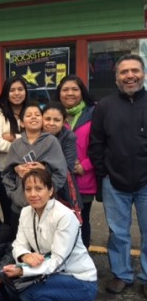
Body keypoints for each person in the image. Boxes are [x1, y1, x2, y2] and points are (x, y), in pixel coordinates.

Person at [3, 169, 97, 301]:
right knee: (19, 288)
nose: (33, 194)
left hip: (81, 281)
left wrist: (22, 269)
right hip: (52, 274)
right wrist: (24, 255)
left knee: (31, 294)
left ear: (50, 190)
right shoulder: (25, 212)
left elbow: (56, 261)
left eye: (39, 188)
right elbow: (18, 244)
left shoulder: (64, 216)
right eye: (28, 189)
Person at [89, 53, 147, 296]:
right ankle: (122, 274)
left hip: (146, 182)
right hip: (114, 181)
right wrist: (104, 175)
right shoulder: (105, 106)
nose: (130, 76)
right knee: (118, 232)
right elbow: (96, 143)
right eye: (124, 72)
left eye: (134, 70)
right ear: (116, 78)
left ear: (143, 74)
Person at [1, 102, 67, 238]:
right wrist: (13, 194)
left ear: (42, 120)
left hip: (45, 207)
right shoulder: (16, 145)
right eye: (28, 115)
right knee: (21, 244)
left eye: (37, 114)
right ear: (22, 122)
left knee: (45, 245)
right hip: (19, 207)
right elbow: (6, 174)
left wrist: (46, 174)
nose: (33, 117)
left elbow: (60, 173)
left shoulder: (51, 142)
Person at [56, 74, 97, 249]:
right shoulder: (53, 115)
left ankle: (83, 257)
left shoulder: (94, 113)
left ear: (82, 92)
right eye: (65, 89)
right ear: (59, 93)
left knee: (82, 220)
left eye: (74, 89)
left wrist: (85, 165)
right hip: (59, 180)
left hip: (84, 179)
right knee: (60, 222)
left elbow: (101, 145)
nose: (70, 93)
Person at [0, 75, 28, 229]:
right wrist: (24, 141)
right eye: (12, 90)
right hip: (6, 172)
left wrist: (13, 137)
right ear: (6, 92)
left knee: (28, 213)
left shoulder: (31, 110)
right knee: (10, 213)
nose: (17, 93)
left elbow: (38, 139)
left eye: (20, 89)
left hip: (28, 171)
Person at [42, 101, 82, 223]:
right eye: (47, 119)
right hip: (36, 187)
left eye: (56, 120)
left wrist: (43, 168)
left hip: (62, 187)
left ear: (64, 121)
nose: (51, 123)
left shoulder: (69, 137)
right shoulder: (35, 134)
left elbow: (68, 166)